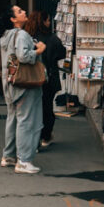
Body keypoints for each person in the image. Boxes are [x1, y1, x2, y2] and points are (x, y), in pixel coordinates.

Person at [0, 5, 46, 174]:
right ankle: (24, 161)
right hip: (24, 85)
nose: (24, 12)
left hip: (10, 83)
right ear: (13, 19)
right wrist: (39, 50)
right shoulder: (23, 35)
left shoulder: (6, 36)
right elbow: (24, 56)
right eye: (19, 12)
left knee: (12, 119)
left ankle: (9, 156)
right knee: (26, 121)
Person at [25, 10, 65, 148]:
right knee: (47, 107)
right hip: (49, 78)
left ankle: (35, 139)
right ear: (43, 22)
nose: (49, 23)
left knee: (34, 109)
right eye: (48, 20)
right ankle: (45, 135)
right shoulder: (52, 38)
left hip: (32, 78)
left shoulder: (28, 37)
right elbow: (61, 53)